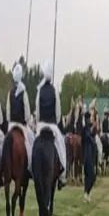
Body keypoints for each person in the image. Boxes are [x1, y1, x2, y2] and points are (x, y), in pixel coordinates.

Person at [35, 60, 67, 190]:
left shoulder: (39, 91)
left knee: (33, 146)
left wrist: (39, 122)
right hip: (52, 126)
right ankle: (62, 176)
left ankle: (31, 168)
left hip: (41, 125)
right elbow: (58, 113)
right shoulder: (54, 91)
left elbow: (37, 111)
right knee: (61, 146)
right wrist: (55, 120)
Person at [5, 63, 35, 172]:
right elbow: (27, 114)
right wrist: (26, 121)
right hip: (22, 126)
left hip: (11, 125)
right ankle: (31, 167)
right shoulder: (24, 93)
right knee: (31, 143)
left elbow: (8, 115)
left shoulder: (10, 93)